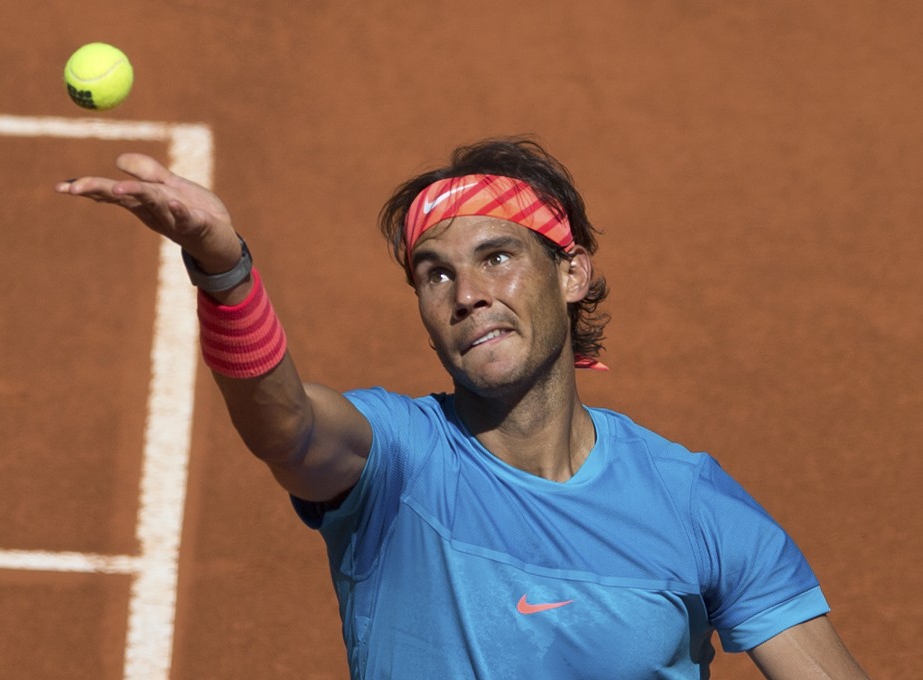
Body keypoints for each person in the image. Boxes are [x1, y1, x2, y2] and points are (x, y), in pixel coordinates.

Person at [57, 138, 869, 679]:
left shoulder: (692, 504)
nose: (468, 294)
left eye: (498, 256)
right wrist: (225, 272)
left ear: (572, 274)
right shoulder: (397, 463)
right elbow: (284, 425)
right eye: (435, 274)